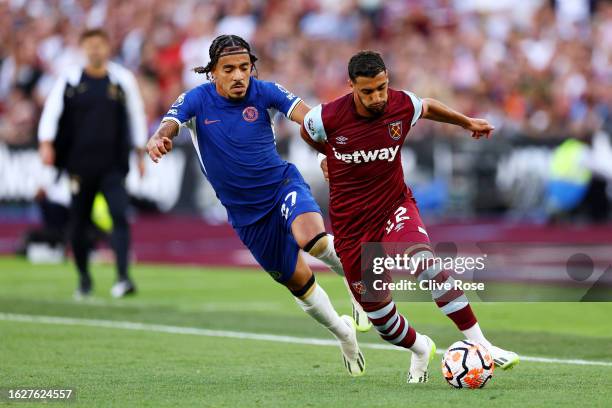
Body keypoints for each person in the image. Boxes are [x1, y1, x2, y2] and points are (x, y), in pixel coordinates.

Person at [146, 34, 367, 376]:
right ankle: (343, 334)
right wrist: (160, 137)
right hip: (247, 216)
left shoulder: (266, 92)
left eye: (244, 68)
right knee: (299, 282)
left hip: (282, 186)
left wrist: (330, 151)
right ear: (213, 73)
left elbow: (310, 120)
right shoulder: (195, 100)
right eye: (229, 69)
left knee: (315, 239)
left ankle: (358, 284)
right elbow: (169, 124)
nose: (238, 76)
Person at [301, 50, 519, 383]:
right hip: (352, 227)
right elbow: (306, 131)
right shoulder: (327, 117)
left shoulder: (401, 105)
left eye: (382, 87)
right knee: (382, 320)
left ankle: (482, 344)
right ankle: (420, 349)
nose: (377, 97)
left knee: (424, 262)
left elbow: (428, 106)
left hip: (394, 206)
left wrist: (467, 122)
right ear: (351, 86)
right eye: (368, 91)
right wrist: (326, 155)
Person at [38, 29, 147, 299]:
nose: (95, 50)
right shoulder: (70, 80)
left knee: (120, 216)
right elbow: (52, 112)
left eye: (100, 45)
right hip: (79, 165)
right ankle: (84, 279)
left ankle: (123, 278)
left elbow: (136, 115)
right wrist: (46, 142)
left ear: (108, 47)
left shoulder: (121, 80)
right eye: (90, 45)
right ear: (83, 48)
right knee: (78, 222)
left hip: (113, 164)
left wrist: (140, 152)